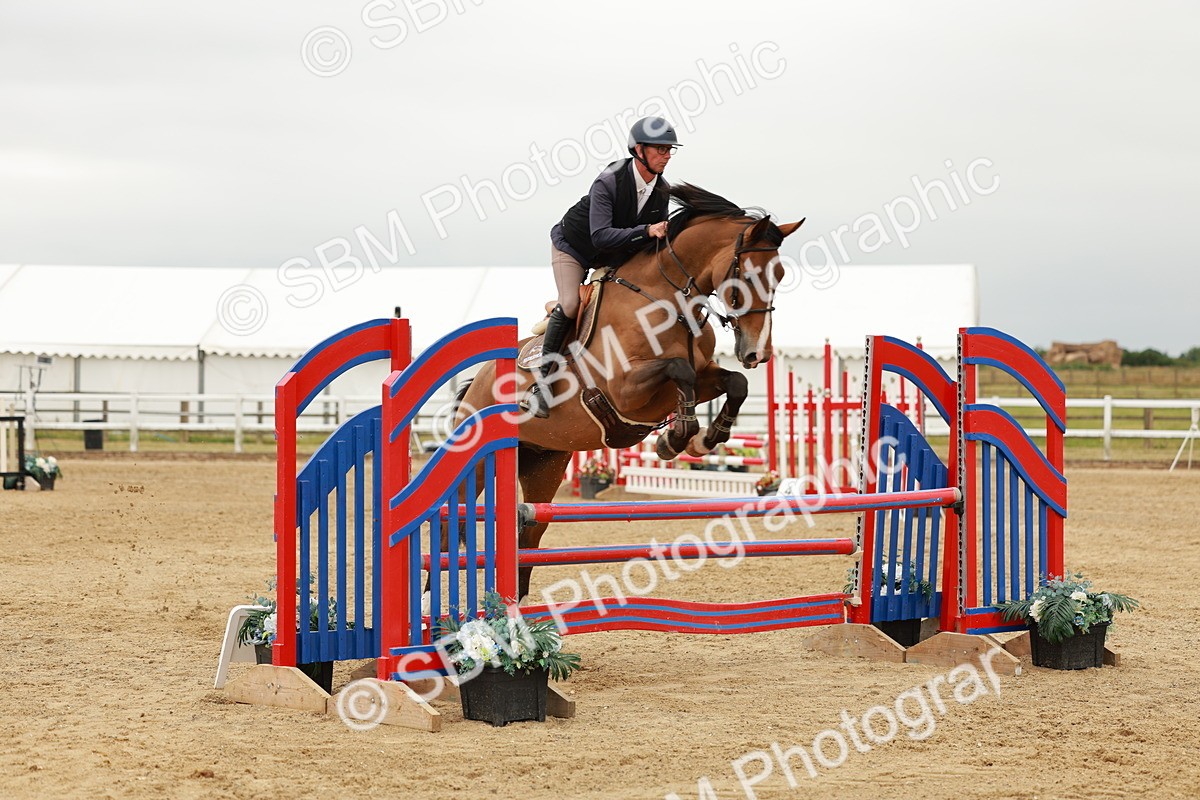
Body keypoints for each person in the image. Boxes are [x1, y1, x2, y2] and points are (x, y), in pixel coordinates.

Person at [520, 116, 681, 418]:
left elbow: (651, 243)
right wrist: (647, 230)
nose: (667, 155)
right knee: (570, 304)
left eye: (669, 149)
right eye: (660, 149)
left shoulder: (661, 190)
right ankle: (542, 384)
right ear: (639, 150)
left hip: (614, 255)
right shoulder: (610, 179)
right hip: (575, 247)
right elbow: (601, 235)